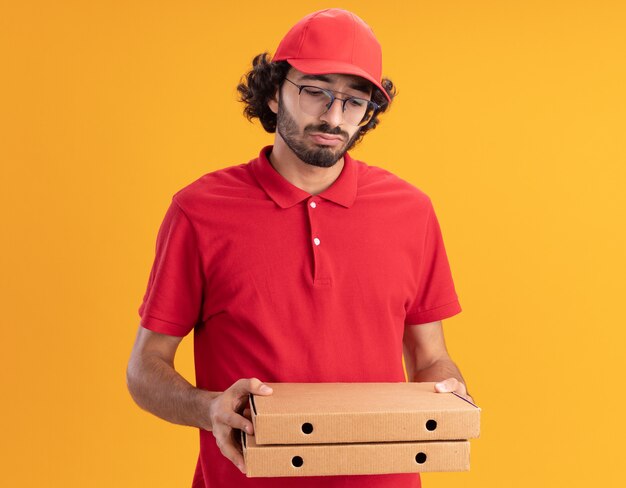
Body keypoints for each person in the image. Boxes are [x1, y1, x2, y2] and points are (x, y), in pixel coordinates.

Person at [127, 8, 472, 488]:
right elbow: (145, 369)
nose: (334, 116)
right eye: (315, 92)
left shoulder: (410, 211)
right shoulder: (199, 211)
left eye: (354, 102)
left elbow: (430, 355)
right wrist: (209, 409)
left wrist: (448, 391)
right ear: (273, 93)